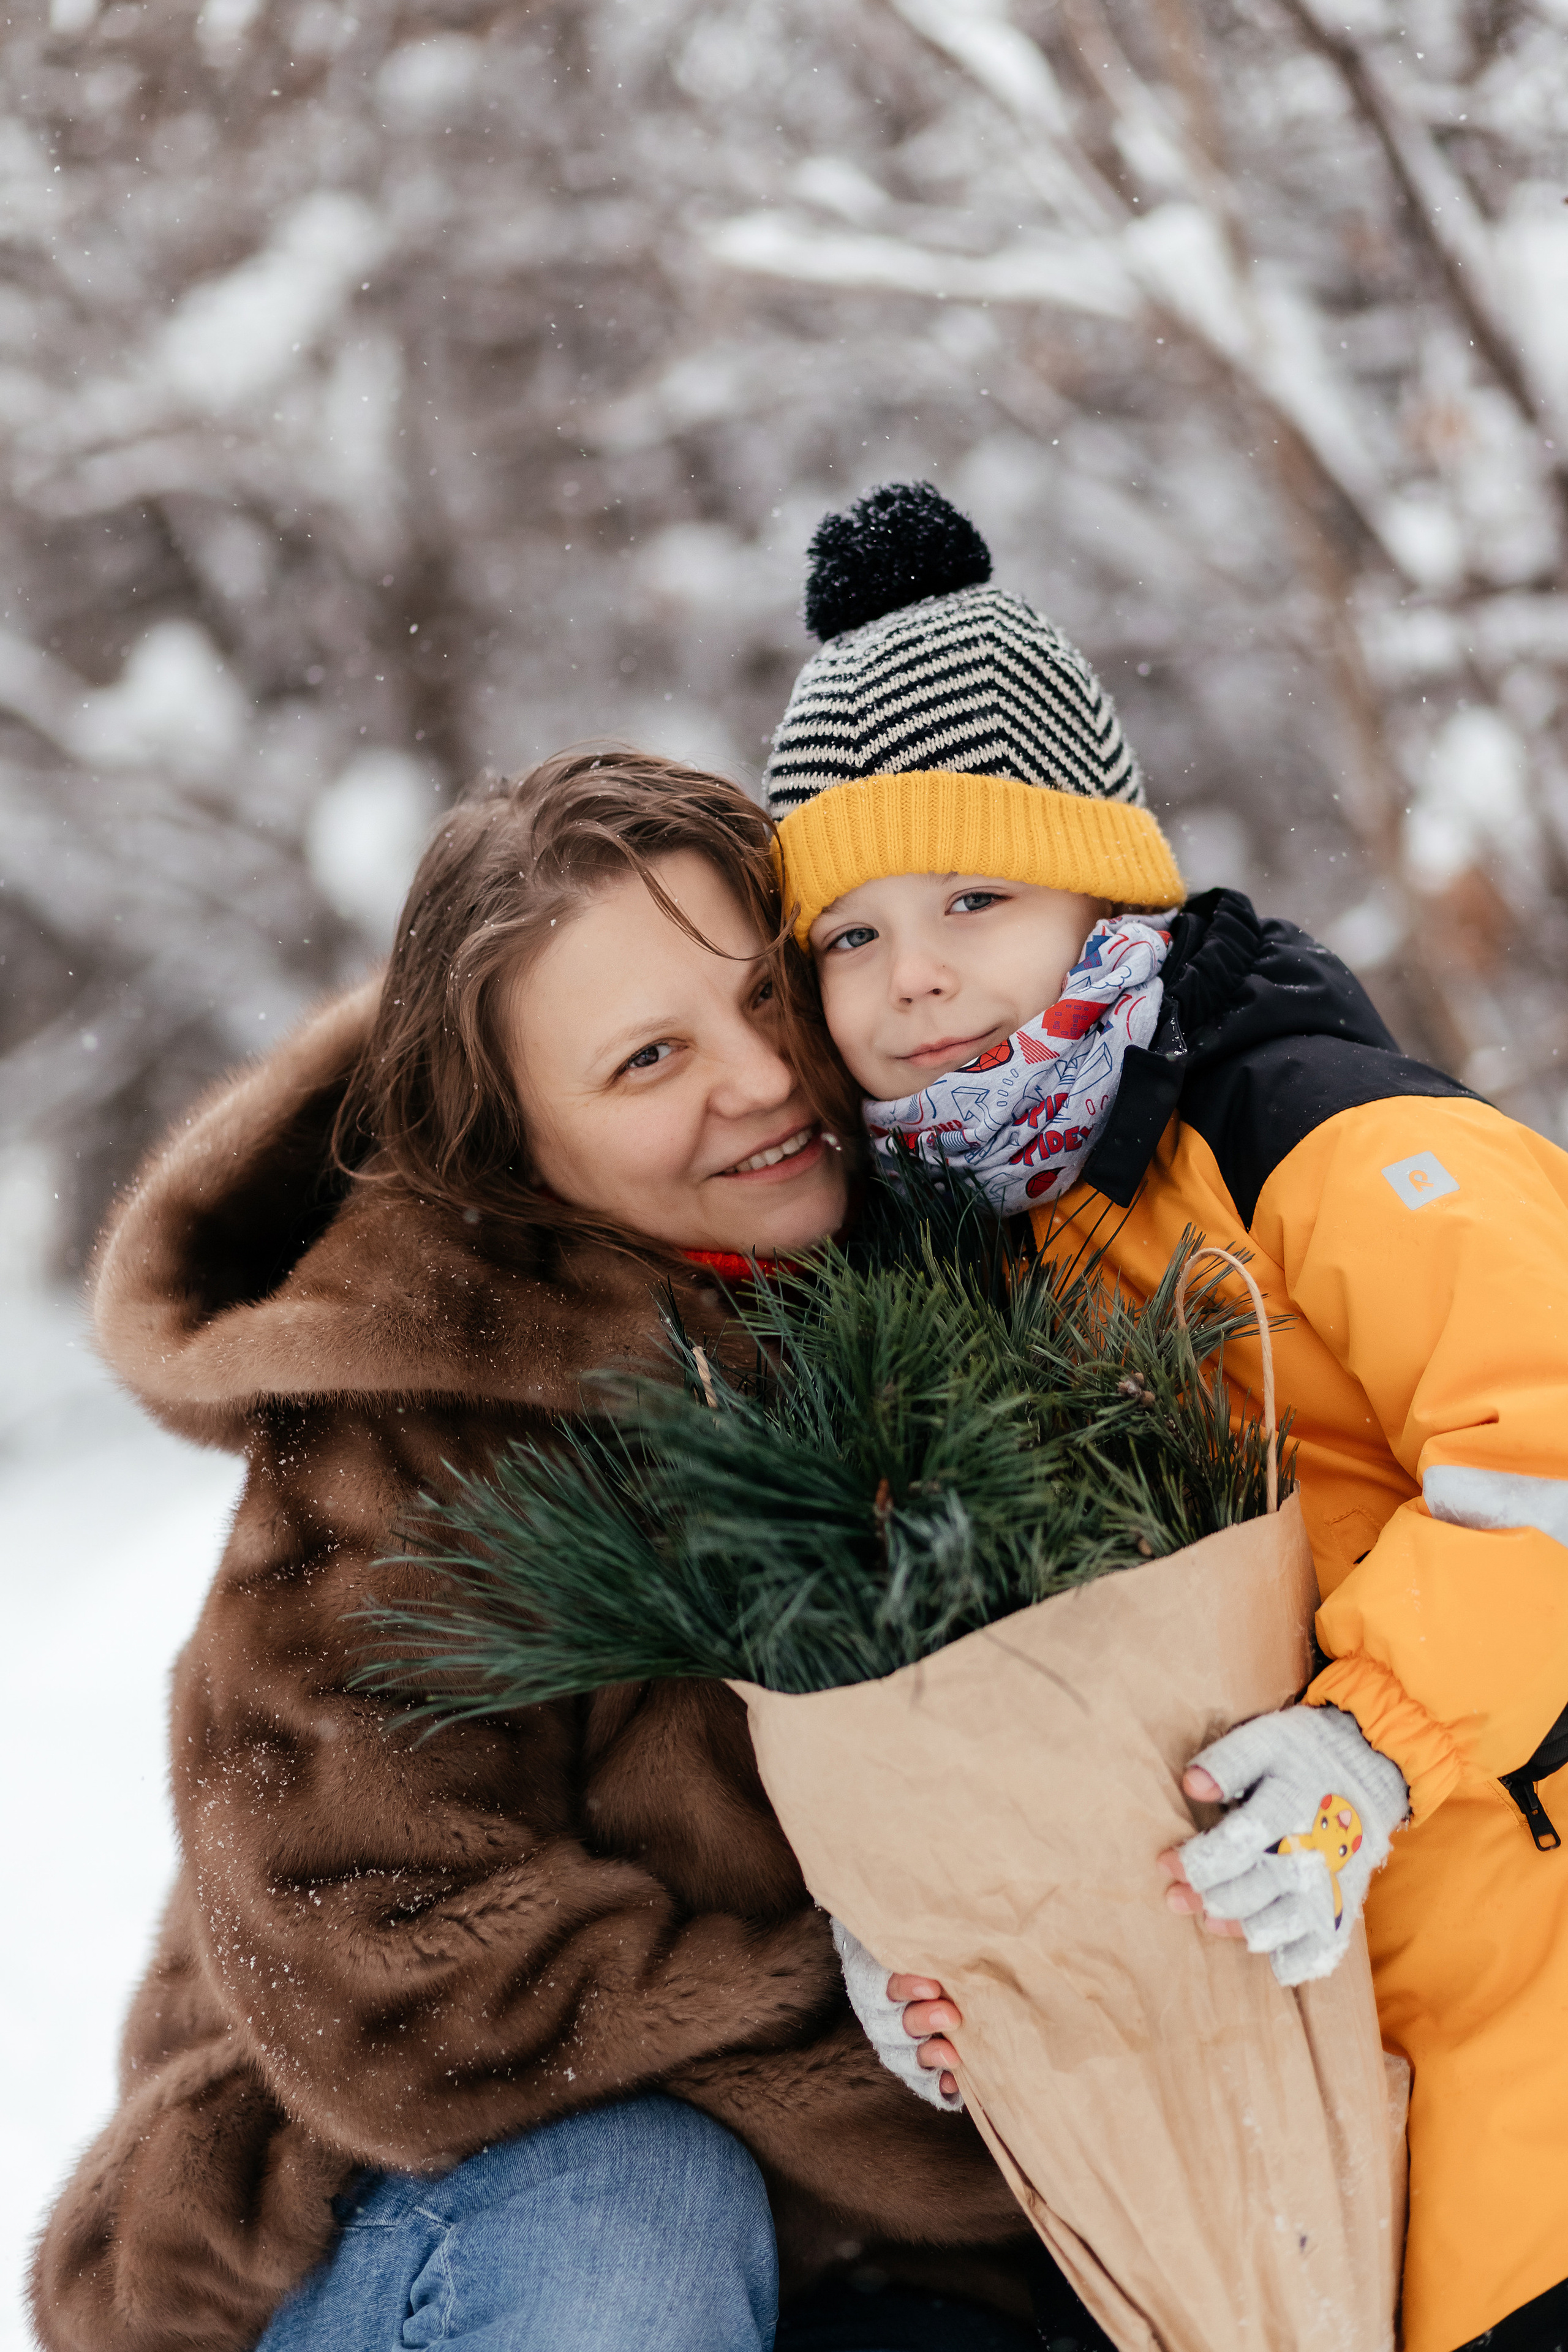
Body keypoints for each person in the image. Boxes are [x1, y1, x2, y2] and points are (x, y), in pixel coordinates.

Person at [31, 750, 1049, 2352]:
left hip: (866, 2229)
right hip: (396, 2208)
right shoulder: (415, 1418)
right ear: (513, 1144)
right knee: (633, 2204)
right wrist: (847, 2009)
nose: (763, 1078)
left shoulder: (983, 1269)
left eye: (764, 997)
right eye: (649, 1059)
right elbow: (379, 1959)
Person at [766, 483, 1568, 2352]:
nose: (920, 976)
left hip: (1526, 1987)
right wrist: (920, 1938)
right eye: (853, 937)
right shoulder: (942, 1263)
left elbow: (1546, 1450)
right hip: (1291, 2132)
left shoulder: (1316, 1131)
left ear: (1106, 887)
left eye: (977, 897)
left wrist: (1372, 1745)